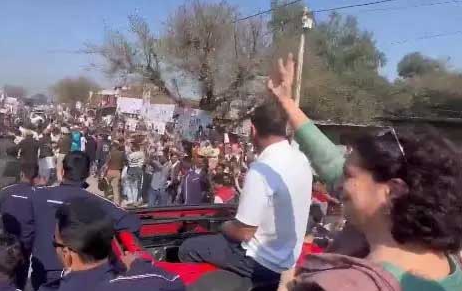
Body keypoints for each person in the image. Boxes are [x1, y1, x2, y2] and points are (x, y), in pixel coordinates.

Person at [269, 54, 462, 291]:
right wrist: (287, 103)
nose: (338, 185)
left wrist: (286, 283)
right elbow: (330, 160)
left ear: (392, 191)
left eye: (348, 176)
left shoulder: (342, 285)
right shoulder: (449, 264)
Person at [179, 102, 312, 284]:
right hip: (287, 259)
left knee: (188, 248)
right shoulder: (301, 159)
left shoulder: (262, 168)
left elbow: (244, 233)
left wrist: (224, 225)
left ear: (253, 130)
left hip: (259, 261)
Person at [29, 151, 141, 290]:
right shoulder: (96, 202)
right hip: (80, 272)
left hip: (43, 270)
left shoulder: (37, 195)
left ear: (62, 171)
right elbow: (132, 223)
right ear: (87, 173)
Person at [39, 197, 185, 291]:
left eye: (55, 243)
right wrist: (137, 265)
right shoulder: (150, 280)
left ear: (67, 253)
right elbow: (176, 283)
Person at [0, 162, 38, 289]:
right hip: (25, 246)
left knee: (1, 275)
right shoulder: (38, 195)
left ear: (21, 173)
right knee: (20, 277)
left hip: (3, 244)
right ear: (35, 176)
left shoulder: (4, 192)